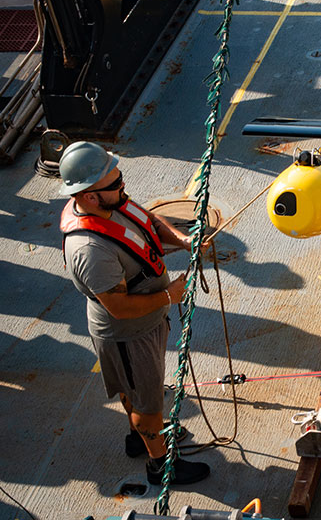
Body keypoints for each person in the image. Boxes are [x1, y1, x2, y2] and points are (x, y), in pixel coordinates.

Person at [58, 141, 210, 486]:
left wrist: (183, 240)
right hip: (128, 335)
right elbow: (119, 307)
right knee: (147, 402)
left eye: (119, 177)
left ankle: (138, 437)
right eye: (113, 184)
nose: (122, 186)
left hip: (148, 324)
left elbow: (148, 222)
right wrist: (169, 296)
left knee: (140, 390)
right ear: (89, 196)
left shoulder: (111, 203)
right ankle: (159, 464)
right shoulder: (90, 249)